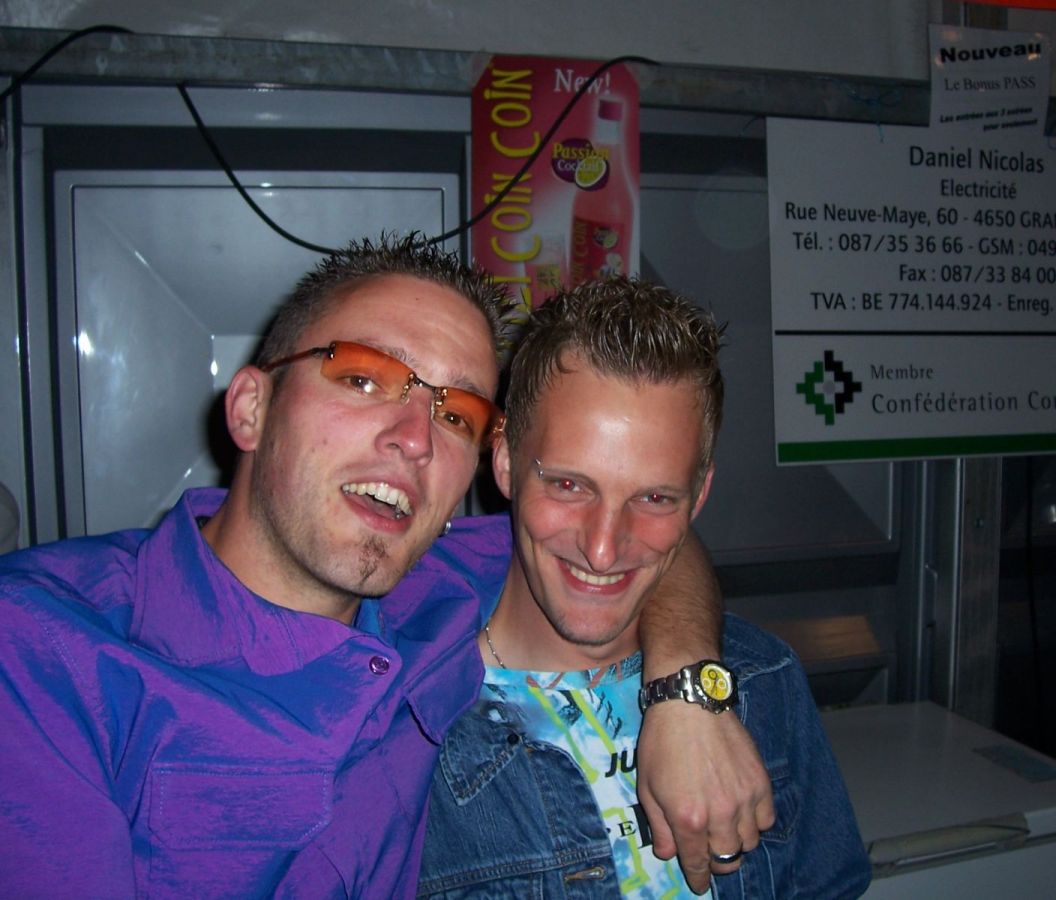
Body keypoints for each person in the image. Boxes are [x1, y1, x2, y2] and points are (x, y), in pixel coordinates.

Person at [0, 235, 771, 897]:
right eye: (363, 378)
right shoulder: (43, 646)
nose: (415, 438)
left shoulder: (440, 583)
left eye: (456, 414)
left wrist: (688, 690)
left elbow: (637, 537)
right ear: (251, 407)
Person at [416, 277, 871, 898]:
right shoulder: (412, 729)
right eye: (569, 486)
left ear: (698, 496)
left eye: (654, 498)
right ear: (504, 461)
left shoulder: (764, 681)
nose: (603, 548)